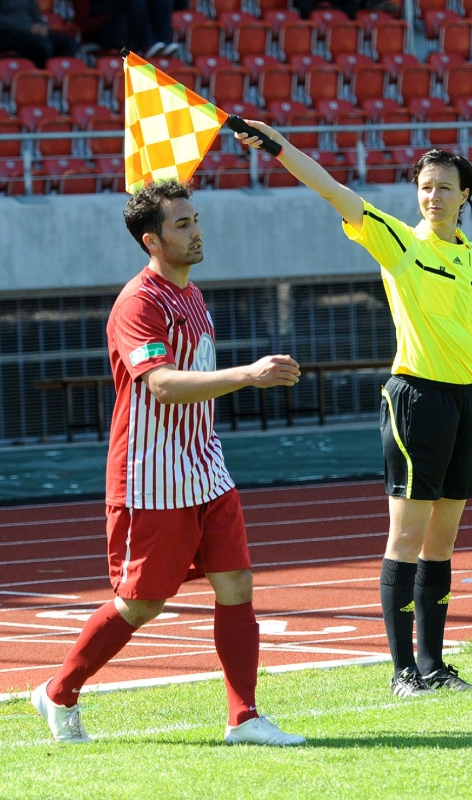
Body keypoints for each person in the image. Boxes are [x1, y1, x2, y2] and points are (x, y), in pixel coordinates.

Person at [31, 179, 306, 747]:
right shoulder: (139, 301)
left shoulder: (192, 294)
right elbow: (160, 385)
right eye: (183, 225)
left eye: (196, 219)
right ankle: (58, 692)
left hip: (205, 467)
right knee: (141, 603)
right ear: (151, 241)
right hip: (150, 477)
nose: (197, 231)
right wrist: (249, 374)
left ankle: (244, 718)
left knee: (237, 584)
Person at [235, 121, 472, 697]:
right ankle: (403, 672)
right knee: (407, 538)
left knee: (443, 542)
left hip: (464, 406)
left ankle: (434, 665)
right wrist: (277, 145)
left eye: (444, 187)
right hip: (416, 399)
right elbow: (332, 189)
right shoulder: (401, 244)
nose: (433, 196)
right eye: (425, 186)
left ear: (466, 194)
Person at [72, 0, 179, 58]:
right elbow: (82, 22)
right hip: (103, 32)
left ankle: (164, 43)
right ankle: (147, 46)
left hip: (125, 28)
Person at [0, 0, 78, 68]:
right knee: (43, 45)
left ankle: (58, 75)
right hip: (8, 32)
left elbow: (34, 11)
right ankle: (37, 76)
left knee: (69, 44)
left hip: (31, 31)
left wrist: (43, 27)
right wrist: (29, 28)